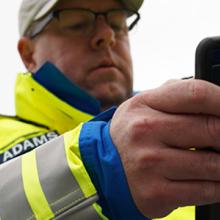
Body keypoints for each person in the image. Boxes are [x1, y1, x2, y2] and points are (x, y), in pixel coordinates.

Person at [1, 0, 220, 219]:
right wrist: (101, 167)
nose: (107, 35)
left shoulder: (193, 146)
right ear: (28, 54)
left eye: (117, 23)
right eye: (77, 23)